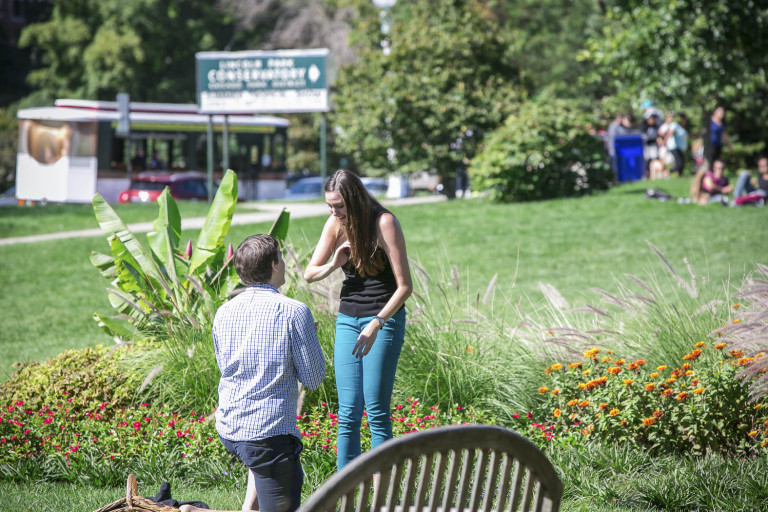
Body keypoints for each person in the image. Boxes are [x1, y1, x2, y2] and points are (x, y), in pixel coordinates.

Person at [304, 169, 412, 471]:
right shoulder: (335, 224)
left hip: (383, 320)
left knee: (376, 410)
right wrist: (334, 264)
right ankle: (345, 495)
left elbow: (405, 287)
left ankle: (382, 496)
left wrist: (376, 323)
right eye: (329, 206)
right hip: (348, 320)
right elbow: (309, 274)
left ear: (354, 200)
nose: (334, 212)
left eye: (339, 206)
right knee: (348, 411)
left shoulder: (384, 222)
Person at [209, 234, 326, 512]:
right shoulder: (294, 312)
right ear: (274, 265)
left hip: (230, 427)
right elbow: (313, 378)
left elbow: (225, 367)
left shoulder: (224, 312)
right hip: (267, 436)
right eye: (281, 258)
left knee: (257, 452)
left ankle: (247, 508)